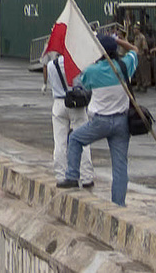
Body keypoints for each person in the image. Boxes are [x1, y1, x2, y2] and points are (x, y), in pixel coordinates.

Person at [58, 32, 140, 205]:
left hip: (100, 121)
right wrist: (116, 40)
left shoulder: (92, 71)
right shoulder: (125, 66)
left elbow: (84, 84)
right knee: (120, 166)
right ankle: (119, 204)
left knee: (74, 139)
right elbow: (135, 49)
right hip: (122, 122)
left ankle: (72, 175)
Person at [42, 47, 94, 189]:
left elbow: (52, 82)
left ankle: (60, 175)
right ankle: (86, 176)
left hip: (58, 103)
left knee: (59, 142)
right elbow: (85, 84)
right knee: (82, 140)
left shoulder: (52, 65)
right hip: (76, 103)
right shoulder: (77, 64)